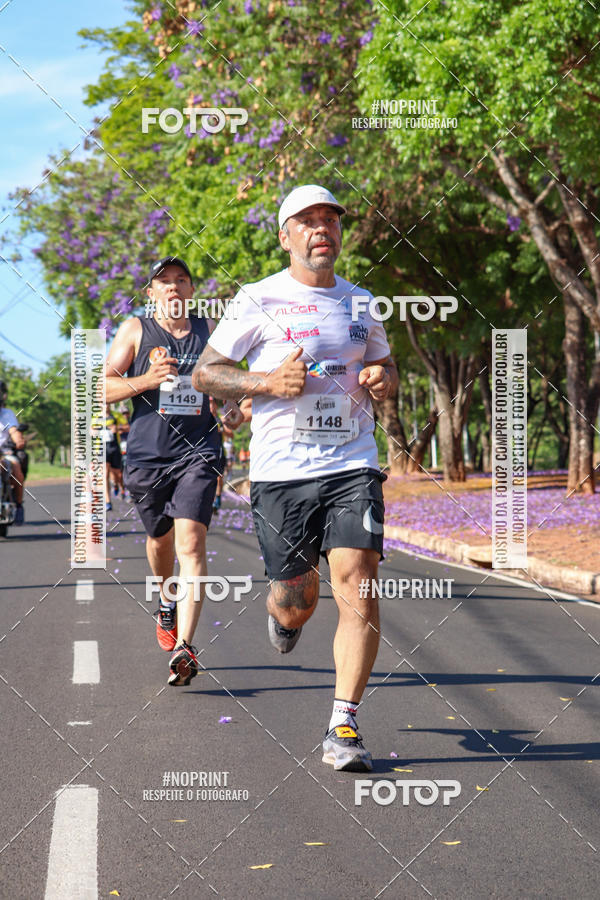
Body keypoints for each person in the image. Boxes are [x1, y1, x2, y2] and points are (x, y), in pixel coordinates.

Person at [193, 184, 398, 771]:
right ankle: (283, 616)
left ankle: (344, 723)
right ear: (286, 237)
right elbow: (208, 374)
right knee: (296, 602)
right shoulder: (258, 299)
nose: (320, 230)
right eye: (306, 222)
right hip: (281, 472)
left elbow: (383, 366)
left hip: (351, 464)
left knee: (358, 583)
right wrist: (264, 384)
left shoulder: (362, 303)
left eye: (329, 220)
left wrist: (384, 380)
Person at [105, 256, 243, 686]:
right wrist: (146, 379)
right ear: (151, 292)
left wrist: (235, 409)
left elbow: (230, 386)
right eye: (164, 282)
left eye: (182, 281)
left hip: (199, 451)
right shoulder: (135, 330)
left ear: (191, 290)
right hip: (147, 458)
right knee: (159, 540)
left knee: (192, 542)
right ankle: (166, 601)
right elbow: (101, 389)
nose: (174, 288)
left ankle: (185, 645)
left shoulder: (211, 332)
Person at [0, 381, 26, 525]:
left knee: (16, 469)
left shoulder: (7, 414)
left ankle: (19, 505)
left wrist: (18, 440)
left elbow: (13, 431)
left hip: (4, 453)